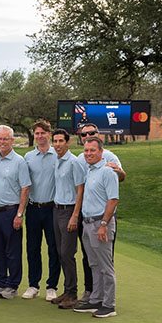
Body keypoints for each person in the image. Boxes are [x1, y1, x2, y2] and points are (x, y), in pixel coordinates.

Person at [75, 122, 125, 303]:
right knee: (93, 264)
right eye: (86, 150)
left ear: (100, 152)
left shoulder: (108, 169)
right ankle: (95, 299)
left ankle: (108, 304)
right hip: (87, 222)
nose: (88, 153)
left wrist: (104, 224)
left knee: (105, 266)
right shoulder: (89, 169)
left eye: (92, 150)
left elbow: (113, 200)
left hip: (100, 223)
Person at [0, 125, 31, 300]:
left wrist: (19, 214)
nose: (2, 142)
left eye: (5, 139)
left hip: (11, 212)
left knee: (12, 250)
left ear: (12, 140)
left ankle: (13, 285)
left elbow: (25, 188)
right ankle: (1, 281)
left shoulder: (19, 161)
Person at [22, 120, 60, 301]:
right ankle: (33, 285)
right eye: (36, 133)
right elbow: (23, 184)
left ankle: (52, 286)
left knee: (53, 248)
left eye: (42, 133)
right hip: (33, 208)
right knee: (33, 248)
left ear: (49, 134)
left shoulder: (58, 155)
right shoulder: (28, 157)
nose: (39, 136)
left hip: (52, 208)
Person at [50, 128, 86, 309]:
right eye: (54, 141)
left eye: (60, 141)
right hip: (57, 210)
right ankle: (66, 291)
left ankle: (72, 294)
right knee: (60, 252)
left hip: (69, 211)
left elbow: (81, 189)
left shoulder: (74, 162)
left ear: (67, 142)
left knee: (67, 253)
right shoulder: (57, 161)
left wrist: (75, 215)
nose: (57, 144)